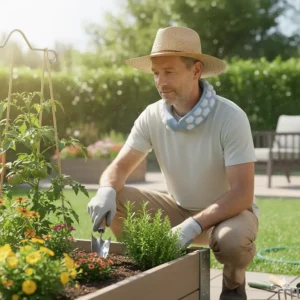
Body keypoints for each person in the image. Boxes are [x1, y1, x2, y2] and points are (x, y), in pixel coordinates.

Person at [87, 26, 259, 300]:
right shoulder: (152, 116)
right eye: (156, 73)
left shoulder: (230, 117)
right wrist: (106, 188)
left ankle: (234, 285)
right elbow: (117, 169)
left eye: (169, 72)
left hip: (227, 217)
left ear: (196, 70)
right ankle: (150, 269)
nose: (160, 82)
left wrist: (193, 225)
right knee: (116, 197)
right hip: (177, 210)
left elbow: (242, 194)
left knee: (232, 242)